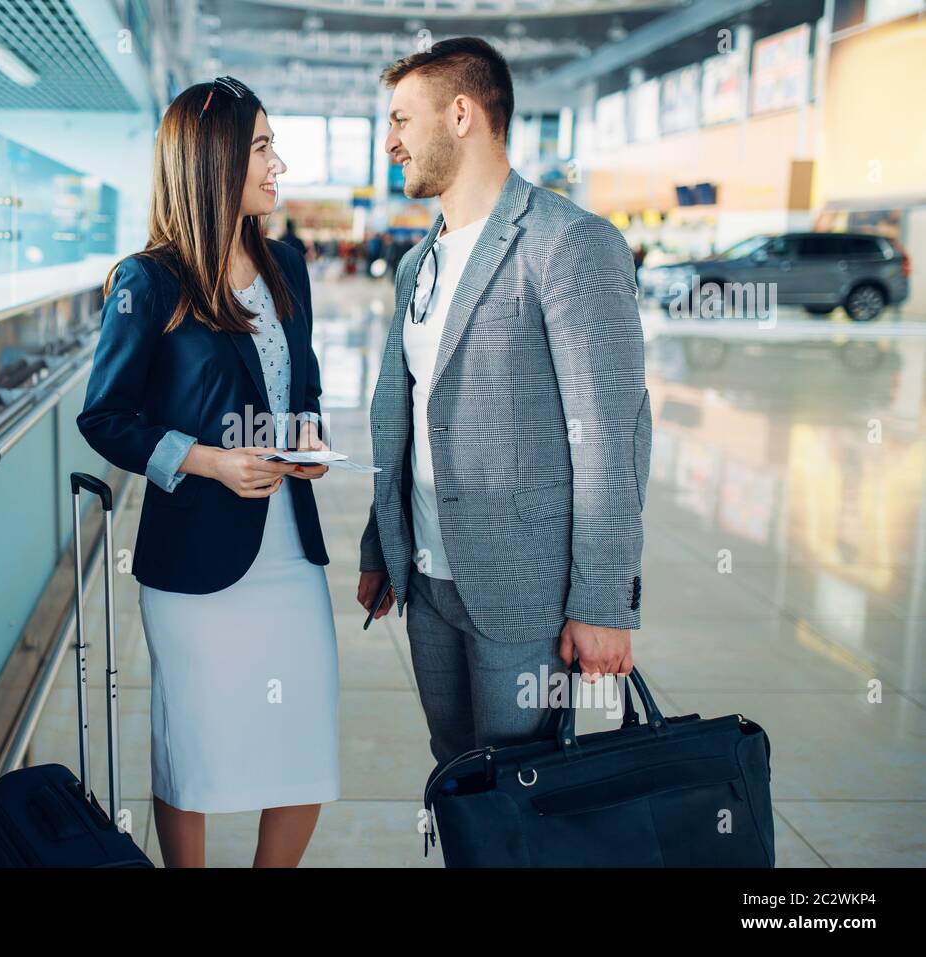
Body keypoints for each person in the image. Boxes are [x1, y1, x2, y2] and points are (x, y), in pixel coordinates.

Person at [357, 38, 652, 773]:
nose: (389, 143)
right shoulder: (417, 264)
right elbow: (412, 416)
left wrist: (604, 602)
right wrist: (381, 542)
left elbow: (611, 437)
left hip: (527, 594)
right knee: (459, 779)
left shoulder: (568, 245)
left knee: (528, 793)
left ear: (461, 115)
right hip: (427, 583)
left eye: (401, 120)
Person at [77, 76, 338, 868]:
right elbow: (105, 417)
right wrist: (209, 462)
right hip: (193, 561)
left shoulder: (286, 264)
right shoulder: (149, 281)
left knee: (305, 741)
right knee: (192, 744)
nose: (278, 164)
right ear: (215, 160)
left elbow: (307, 383)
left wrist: (309, 440)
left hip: (289, 554)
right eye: (262, 146)